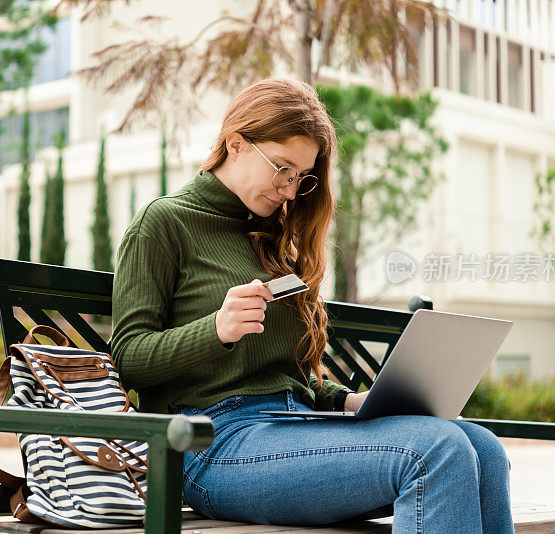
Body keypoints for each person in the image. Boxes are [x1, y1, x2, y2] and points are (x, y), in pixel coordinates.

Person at [111, 77, 513, 533]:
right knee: (435, 451)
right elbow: (128, 358)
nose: (288, 190)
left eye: (301, 178)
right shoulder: (164, 223)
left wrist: (346, 401)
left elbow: (288, 377)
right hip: (210, 446)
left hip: (293, 424)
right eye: (282, 168)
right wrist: (216, 329)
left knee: (483, 448)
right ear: (236, 143)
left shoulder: (272, 237)